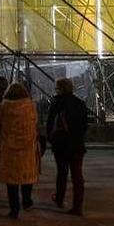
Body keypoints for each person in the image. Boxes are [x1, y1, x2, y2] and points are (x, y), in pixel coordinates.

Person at [0, 82, 40, 219]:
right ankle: (27, 200)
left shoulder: (3, 107)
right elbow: (35, 122)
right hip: (28, 146)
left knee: (11, 179)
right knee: (27, 173)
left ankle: (14, 209)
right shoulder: (31, 106)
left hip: (8, 147)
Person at [46, 77, 88, 216]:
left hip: (61, 144)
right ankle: (78, 206)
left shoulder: (57, 103)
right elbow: (84, 126)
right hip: (77, 144)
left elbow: (50, 122)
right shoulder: (80, 103)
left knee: (62, 173)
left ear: (61, 89)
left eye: (57, 88)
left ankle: (59, 199)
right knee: (77, 175)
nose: (56, 91)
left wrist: (50, 139)